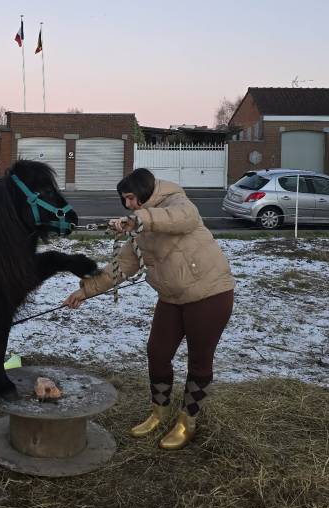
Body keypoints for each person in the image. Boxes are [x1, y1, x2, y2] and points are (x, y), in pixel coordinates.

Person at [63, 168, 234, 451]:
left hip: (210, 294)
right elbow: (120, 268)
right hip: (172, 297)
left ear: (145, 191)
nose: (128, 205)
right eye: (124, 201)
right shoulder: (139, 231)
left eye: (131, 198)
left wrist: (139, 219)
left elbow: (181, 219)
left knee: (199, 362)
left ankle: (187, 421)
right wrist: (84, 291)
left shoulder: (177, 202)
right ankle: (159, 411)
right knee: (157, 352)